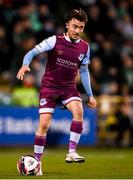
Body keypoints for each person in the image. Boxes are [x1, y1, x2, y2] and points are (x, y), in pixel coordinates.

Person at [17, 9, 97, 175]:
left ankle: (71, 152)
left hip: (68, 88)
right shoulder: (54, 41)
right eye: (75, 26)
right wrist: (25, 65)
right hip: (49, 87)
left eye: (81, 27)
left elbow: (84, 71)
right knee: (44, 124)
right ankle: (37, 163)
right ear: (67, 25)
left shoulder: (85, 47)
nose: (77, 30)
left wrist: (90, 95)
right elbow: (32, 52)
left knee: (79, 110)